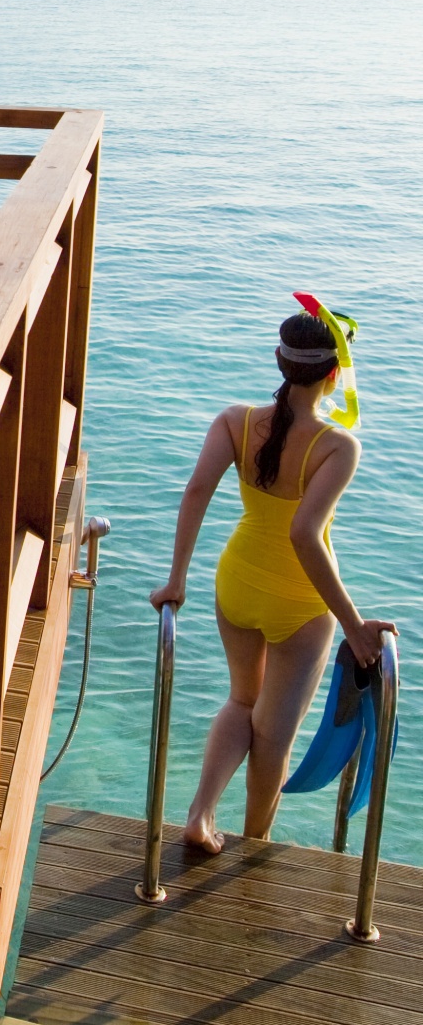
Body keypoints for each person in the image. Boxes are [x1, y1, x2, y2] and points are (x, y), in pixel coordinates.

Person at [150, 306, 396, 854]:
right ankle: (255, 842)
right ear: (335, 375)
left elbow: (195, 492)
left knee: (242, 701)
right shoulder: (335, 445)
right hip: (299, 601)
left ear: (279, 362)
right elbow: (306, 536)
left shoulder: (235, 421)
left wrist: (176, 580)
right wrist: (354, 628)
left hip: (235, 583)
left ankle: (200, 814)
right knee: (274, 733)